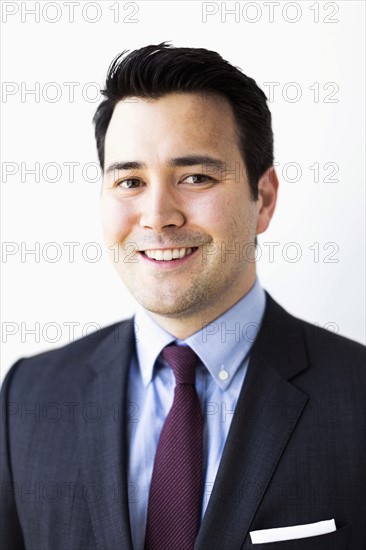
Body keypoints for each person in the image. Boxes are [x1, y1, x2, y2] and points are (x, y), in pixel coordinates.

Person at [1, 42, 365, 550]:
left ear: (264, 199)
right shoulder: (29, 397)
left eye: (195, 177)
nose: (157, 215)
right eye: (129, 180)